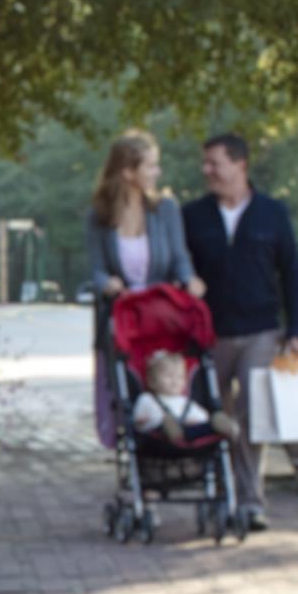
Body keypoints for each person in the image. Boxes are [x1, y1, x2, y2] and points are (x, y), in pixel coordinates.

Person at [180, 133, 298, 531]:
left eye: (214, 163)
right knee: (216, 417)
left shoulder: (272, 213)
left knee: (253, 418)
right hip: (210, 335)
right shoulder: (193, 216)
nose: (207, 171)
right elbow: (180, 270)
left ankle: (251, 502)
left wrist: (297, 330)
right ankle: (221, 494)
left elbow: (293, 274)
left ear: (240, 165)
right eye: (205, 164)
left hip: (260, 332)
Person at [85, 130, 205, 447]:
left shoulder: (164, 210)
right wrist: (107, 284)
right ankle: (136, 448)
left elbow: (179, 257)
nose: (157, 173)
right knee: (129, 382)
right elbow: (96, 269)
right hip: (123, 313)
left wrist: (190, 280)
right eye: (150, 166)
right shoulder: (100, 217)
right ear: (128, 171)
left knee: (167, 376)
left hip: (158, 312)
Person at [131, 350, 239, 445]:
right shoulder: (146, 399)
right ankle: (172, 429)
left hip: (186, 430)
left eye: (180, 377)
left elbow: (200, 416)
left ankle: (219, 423)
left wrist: (197, 420)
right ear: (152, 381)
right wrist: (149, 420)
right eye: (169, 376)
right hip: (160, 435)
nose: (175, 381)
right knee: (165, 424)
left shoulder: (184, 401)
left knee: (203, 425)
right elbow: (138, 420)